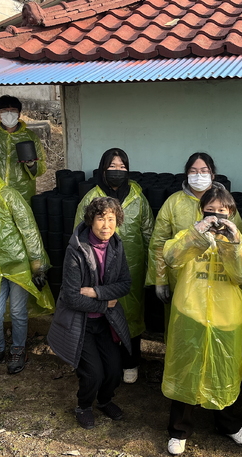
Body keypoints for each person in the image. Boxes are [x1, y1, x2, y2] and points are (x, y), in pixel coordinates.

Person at [162, 187, 242, 455]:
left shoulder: (238, 238)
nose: (216, 216)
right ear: (201, 212)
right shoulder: (189, 234)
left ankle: (228, 425)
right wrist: (196, 233)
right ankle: (179, 430)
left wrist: (233, 244)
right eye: (209, 211)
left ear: (231, 213)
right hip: (191, 313)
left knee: (225, 371)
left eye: (221, 211)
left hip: (226, 318)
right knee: (186, 369)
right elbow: (170, 257)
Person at [47, 197, 132, 430]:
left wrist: (96, 292)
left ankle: (105, 401)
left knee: (114, 370)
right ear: (91, 220)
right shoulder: (76, 250)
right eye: (101, 218)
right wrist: (105, 304)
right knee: (93, 372)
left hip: (105, 322)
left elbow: (125, 284)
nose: (106, 225)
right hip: (81, 322)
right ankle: (83, 406)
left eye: (111, 219)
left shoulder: (116, 245)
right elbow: (72, 296)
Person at [74, 148, 154, 384]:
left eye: (122, 167)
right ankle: (108, 364)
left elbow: (149, 232)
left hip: (133, 266)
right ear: (102, 169)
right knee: (104, 314)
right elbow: (78, 235)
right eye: (112, 167)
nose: (117, 171)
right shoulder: (91, 198)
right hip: (99, 268)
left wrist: (152, 268)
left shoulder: (138, 198)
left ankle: (131, 362)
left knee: (131, 315)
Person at [0, 158, 55, 375]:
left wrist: (37, 265)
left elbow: (28, 229)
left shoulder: (8, 195)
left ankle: (18, 349)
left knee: (18, 312)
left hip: (17, 263)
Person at [146, 152, 242, 331]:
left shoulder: (227, 204)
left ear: (212, 175)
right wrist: (160, 279)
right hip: (182, 281)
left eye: (204, 171)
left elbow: (239, 243)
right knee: (182, 332)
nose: (199, 175)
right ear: (187, 175)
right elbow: (159, 242)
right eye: (193, 171)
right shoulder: (173, 203)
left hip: (219, 281)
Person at [0, 95, 46, 203]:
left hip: (22, 192)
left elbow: (41, 167)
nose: (9, 114)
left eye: (13, 110)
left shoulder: (30, 137)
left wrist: (31, 165)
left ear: (19, 114)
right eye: (4, 111)